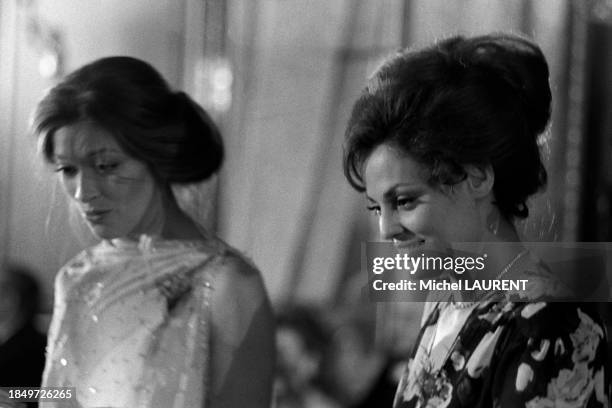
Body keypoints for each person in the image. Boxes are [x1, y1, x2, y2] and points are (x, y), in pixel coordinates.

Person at [343, 33, 609, 407]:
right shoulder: (446, 300)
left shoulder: (549, 327)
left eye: (404, 201)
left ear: (478, 178)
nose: (386, 228)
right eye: (376, 208)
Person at [32, 56, 275, 408]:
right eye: (68, 170)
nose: (84, 192)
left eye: (106, 166)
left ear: (156, 156)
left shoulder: (226, 285)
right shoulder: (77, 278)